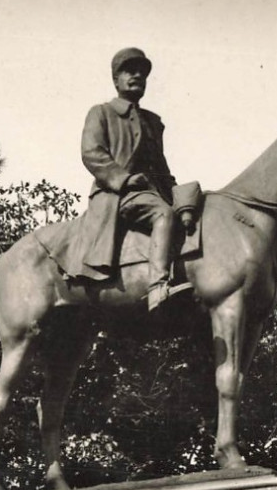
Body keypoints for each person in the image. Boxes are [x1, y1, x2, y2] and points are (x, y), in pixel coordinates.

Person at [80, 47, 194, 310]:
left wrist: (179, 195)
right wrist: (122, 179)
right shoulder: (101, 112)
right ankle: (157, 287)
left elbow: (161, 168)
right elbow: (91, 152)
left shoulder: (152, 122)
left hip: (150, 193)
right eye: (129, 70)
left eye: (142, 72)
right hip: (117, 196)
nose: (137, 76)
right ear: (115, 79)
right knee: (163, 214)